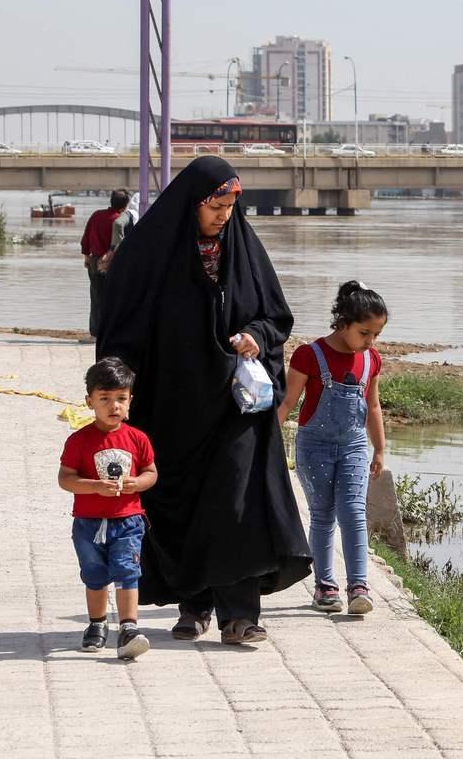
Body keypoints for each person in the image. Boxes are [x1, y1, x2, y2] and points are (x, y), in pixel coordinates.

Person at [97, 156, 311, 645]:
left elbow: (275, 315)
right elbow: (121, 327)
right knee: (186, 504)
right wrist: (117, 390)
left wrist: (256, 335)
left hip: (235, 407)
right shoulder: (149, 254)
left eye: (230, 207)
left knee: (237, 503)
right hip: (171, 406)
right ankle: (194, 605)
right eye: (215, 207)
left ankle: (241, 615)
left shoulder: (243, 250)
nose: (223, 217)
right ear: (192, 204)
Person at [278, 281, 389, 615]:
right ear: (342, 322)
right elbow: (287, 403)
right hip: (314, 449)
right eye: (364, 333)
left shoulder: (371, 360)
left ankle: (359, 586)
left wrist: (379, 449)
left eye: (376, 335)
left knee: (354, 512)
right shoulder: (308, 355)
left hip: (354, 446)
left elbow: (373, 406)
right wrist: (267, 444)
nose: (370, 341)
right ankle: (325, 587)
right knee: (323, 515)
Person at [58, 357, 158, 659]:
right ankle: (97, 623)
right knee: (94, 574)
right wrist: (94, 486)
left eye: (121, 399)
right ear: (90, 401)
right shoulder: (79, 440)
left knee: (128, 571)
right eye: (105, 399)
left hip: (128, 520)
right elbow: (66, 479)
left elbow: (151, 473)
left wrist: (137, 483)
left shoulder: (138, 439)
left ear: (130, 401)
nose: (114, 406)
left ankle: (129, 627)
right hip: (88, 523)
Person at [80, 190, 129, 336]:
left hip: (95, 261)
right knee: (115, 297)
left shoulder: (96, 215)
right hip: (113, 263)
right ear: (125, 205)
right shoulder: (122, 220)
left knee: (96, 297)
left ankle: (95, 331)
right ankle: (112, 330)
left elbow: (86, 237)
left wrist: (86, 256)